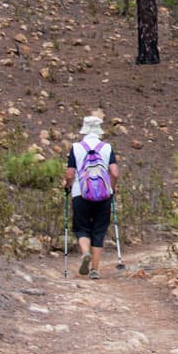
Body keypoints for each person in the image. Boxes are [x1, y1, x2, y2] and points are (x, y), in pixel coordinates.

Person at [63, 114, 119, 279]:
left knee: (81, 228)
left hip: (80, 194)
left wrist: (67, 185)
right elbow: (114, 173)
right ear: (99, 131)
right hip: (103, 195)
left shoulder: (76, 147)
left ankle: (85, 252)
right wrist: (111, 189)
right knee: (99, 230)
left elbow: (70, 173)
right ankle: (94, 269)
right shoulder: (107, 148)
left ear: (84, 130)